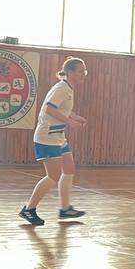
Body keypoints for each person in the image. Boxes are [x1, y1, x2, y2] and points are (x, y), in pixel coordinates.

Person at [18, 57, 89, 225]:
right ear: (70, 72)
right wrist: (70, 122)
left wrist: (74, 116)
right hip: (47, 136)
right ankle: (29, 209)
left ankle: (65, 209)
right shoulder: (61, 88)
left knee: (69, 169)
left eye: (84, 71)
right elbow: (49, 109)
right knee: (53, 175)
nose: (83, 74)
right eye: (80, 71)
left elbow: (61, 109)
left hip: (58, 136)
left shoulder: (68, 88)